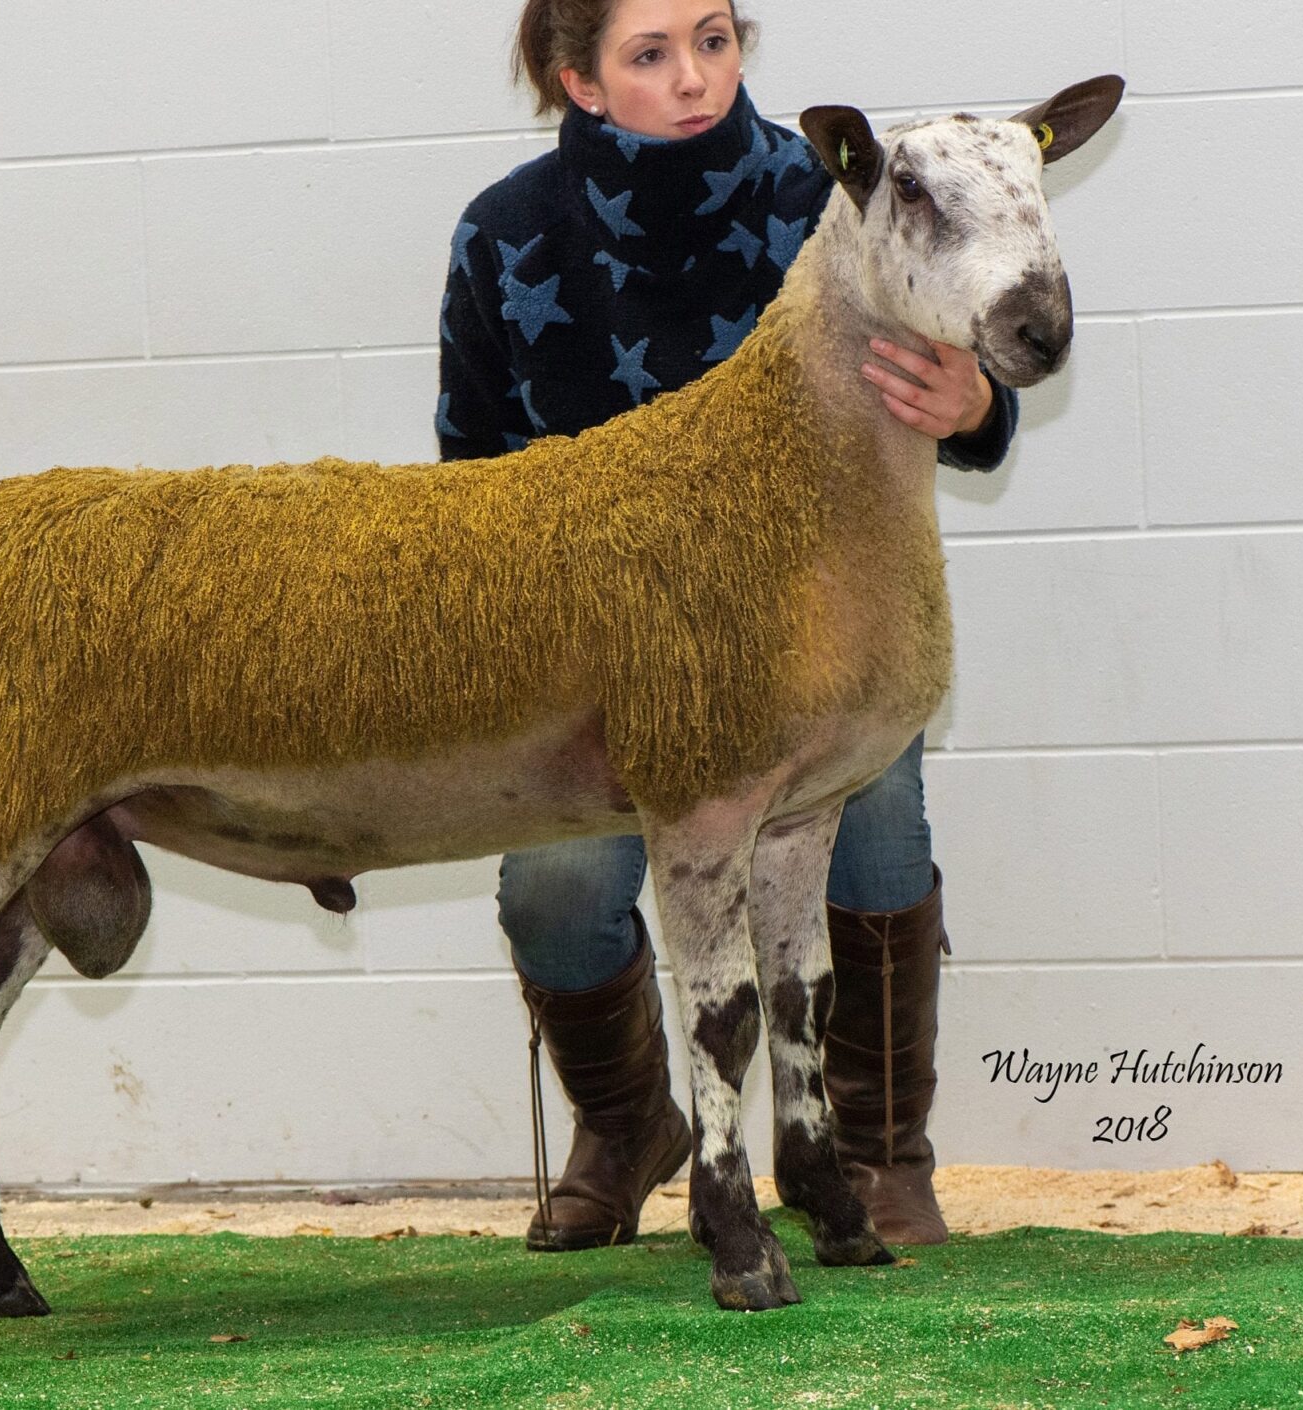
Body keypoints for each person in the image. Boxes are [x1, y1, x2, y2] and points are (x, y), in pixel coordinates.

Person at [436, 0, 1020, 1251]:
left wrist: (972, 402)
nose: (696, 77)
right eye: (650, 54)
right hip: (596, 667)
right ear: (579, 82)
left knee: (876, 831)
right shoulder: (505, 237)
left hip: (811, 649)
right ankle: (629, 1123)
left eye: (714, 37)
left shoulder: (835, 195)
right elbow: (466, 483)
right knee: (552, 880)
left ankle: (868, 1151)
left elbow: (971, 404)